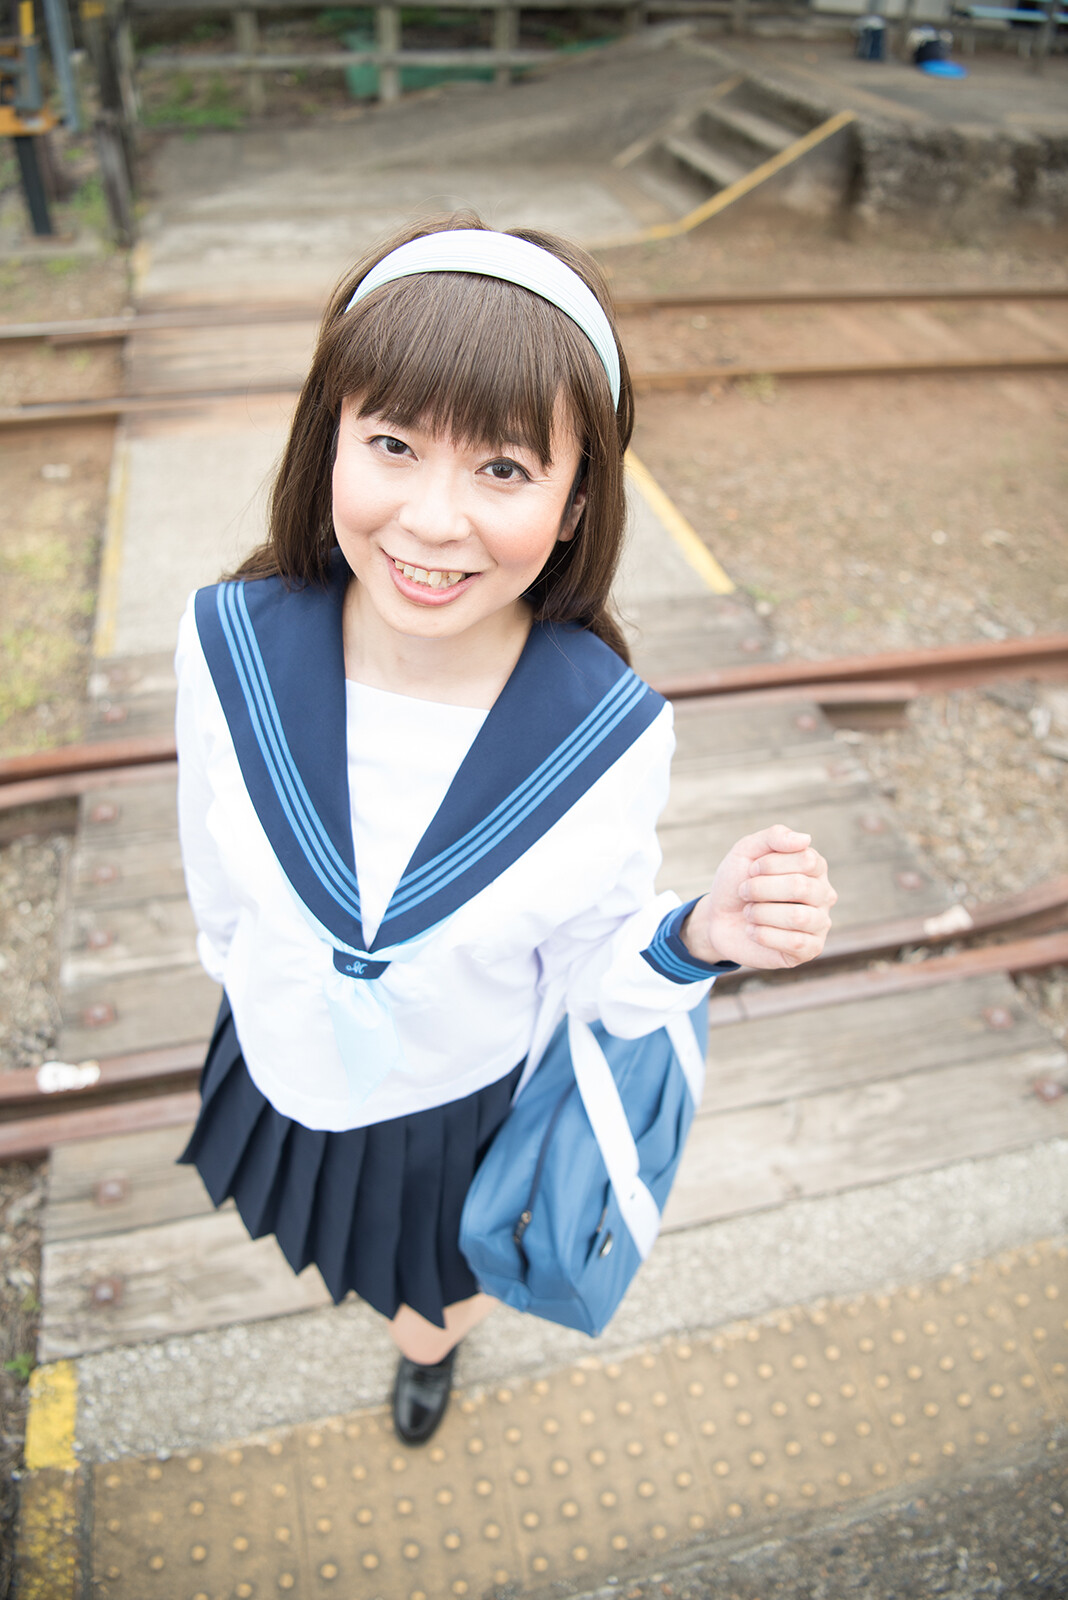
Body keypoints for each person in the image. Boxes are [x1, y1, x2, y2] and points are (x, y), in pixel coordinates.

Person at [174, 214, 837, 1447]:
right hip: (277, 1038)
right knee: (312, 1228)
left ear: (578, 501)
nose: (434, 520)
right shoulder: (227, 643)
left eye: (503, 469)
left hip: (458, 1097)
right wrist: (246, 977)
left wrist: (699, 933)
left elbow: (589, 967)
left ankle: (428, 1351)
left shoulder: (606, 732)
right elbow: (211, 860)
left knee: (435, 1282)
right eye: (392, 443)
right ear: (328, 440)